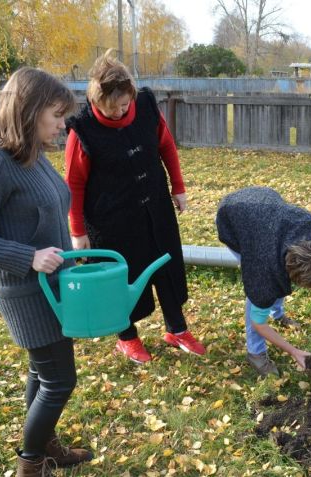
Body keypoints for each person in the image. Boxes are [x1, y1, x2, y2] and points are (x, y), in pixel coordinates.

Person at [0, 68, 92, 476]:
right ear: (28, 111)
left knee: (42, 370)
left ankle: (43, 444)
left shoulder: (29, 150)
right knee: (60, 380)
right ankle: (31, 464)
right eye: (56, 115)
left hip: (53, 283)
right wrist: (28, 256)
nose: (63, 125)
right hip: (27, 289)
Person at [65, 51, 205, 364]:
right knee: (121, 278)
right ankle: (127, 338)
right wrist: (77, 231)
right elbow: (74, 184)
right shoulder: (82, 130)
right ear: (96, 101)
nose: (118, 113)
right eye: (110, 109)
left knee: (167, 268)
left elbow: (166, 145)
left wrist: (178, 188)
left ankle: (177, 329)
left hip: (154, 206)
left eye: (124, 105)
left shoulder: (146, 106)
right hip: (110, 219)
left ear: (131, 93)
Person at [215, 186, 311, 376]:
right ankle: (255, 353)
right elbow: (258, 322)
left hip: (264, 199)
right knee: (258, 296)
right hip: (232, 215)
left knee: (275, 286)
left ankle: (277, 314)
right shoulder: (262, 269)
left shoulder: (310, 229)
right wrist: (294, 351)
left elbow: (283, 279)